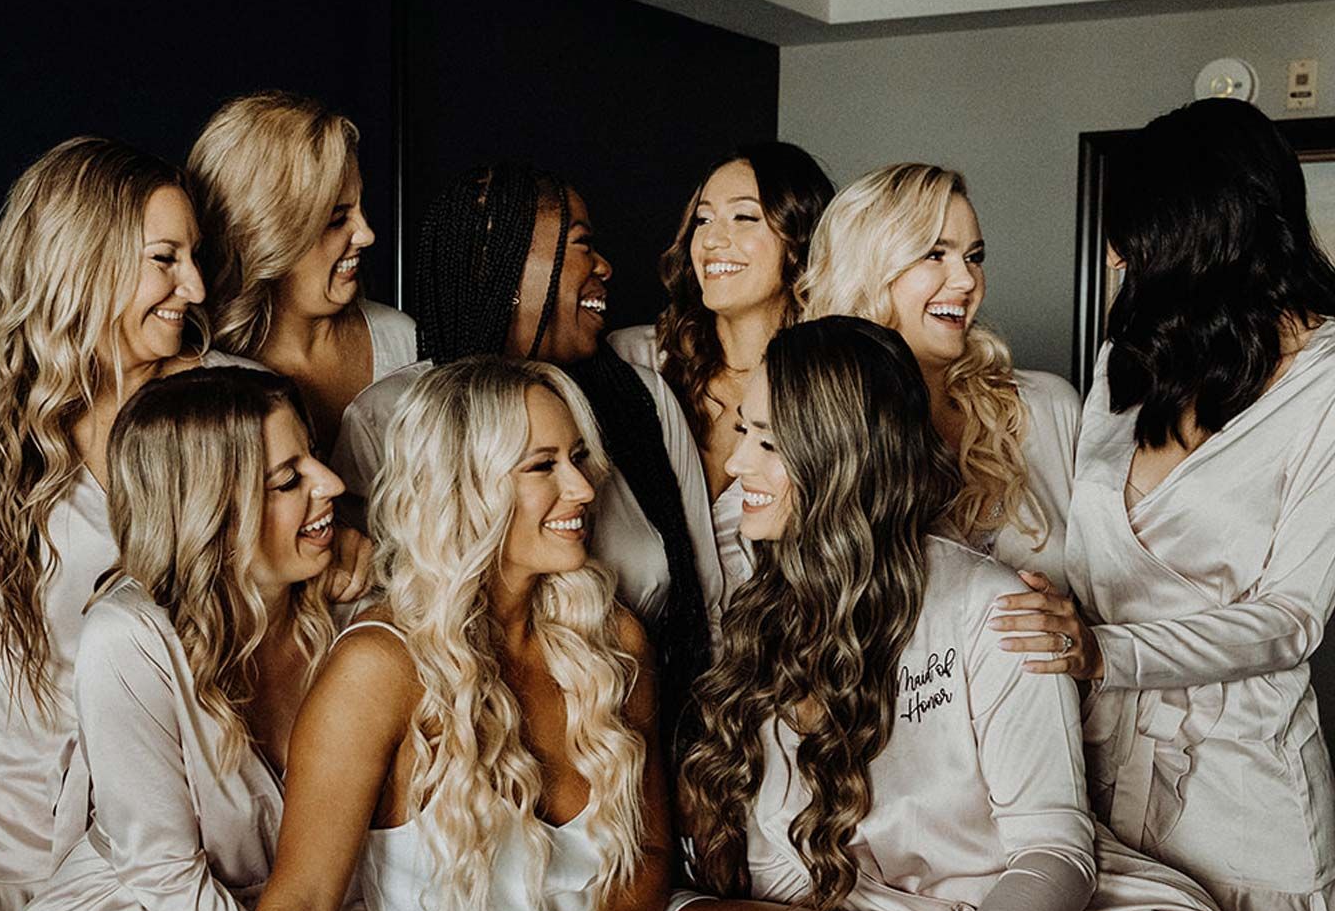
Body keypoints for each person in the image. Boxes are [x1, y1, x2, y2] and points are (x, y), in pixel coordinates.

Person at [65, 355, 915, 911]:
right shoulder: (378, 669)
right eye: (542, 466)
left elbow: (653, 854)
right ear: (467, 488)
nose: (583, 485)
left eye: (577, 457)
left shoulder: (609, 632)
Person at [681, 314, 1335, 911]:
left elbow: (1057, 856)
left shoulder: (992, 611)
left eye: (764, 441)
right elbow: (783, 877)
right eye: (739, 438)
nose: (735, 467)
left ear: (836, 456)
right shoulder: (765, 625)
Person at [2, 368, 472, 911]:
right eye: (289, 479)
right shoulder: (128, 639)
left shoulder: (339, 610)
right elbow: (166, 881)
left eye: (312, 458)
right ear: (211, 512)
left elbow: (334, 866)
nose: (330, 483)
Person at [0, 138, 288, 911]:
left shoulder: (225, 406)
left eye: (195, 258)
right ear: (87, 264)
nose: (194, 286)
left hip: (167, 858)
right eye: (165, 260)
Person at [1002, 100, 1335, 911]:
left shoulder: (1327, 385)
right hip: (1101, 775)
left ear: (1205, 227)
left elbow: (1291, 616)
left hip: (1242, 795)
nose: (1115, 256)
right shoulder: (1124, 360)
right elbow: (1081, 550)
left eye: (1134, 231)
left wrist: (1105, 653)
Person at [334, 165, 718, 739]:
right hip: (466, 748)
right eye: (582, 244)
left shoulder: (644, 401)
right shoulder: (392, 418)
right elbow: (368, 609)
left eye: (579, 455)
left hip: (635, 741)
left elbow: (705, 601)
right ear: (505, 271)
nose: (604, 266)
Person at [800, 163, 1080, 592]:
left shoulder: (1046, 407)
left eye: (974, 257)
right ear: (869, 268)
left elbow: (1112, 598)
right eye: (934, 253)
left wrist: (1080, 636)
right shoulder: (807, 426)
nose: (967, 280)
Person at [609, 142, 834, 609]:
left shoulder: (834, 385)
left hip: (780, 667)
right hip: (643, 663)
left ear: (799, 238)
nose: (711, 240)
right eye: (703, 220)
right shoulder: (634, 361)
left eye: (744, 218)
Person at [187, 91, 418, 455]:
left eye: (360, 208)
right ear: (263, 233)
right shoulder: (196, 369)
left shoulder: (405, 341)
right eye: (337, 219)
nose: (366, 234)